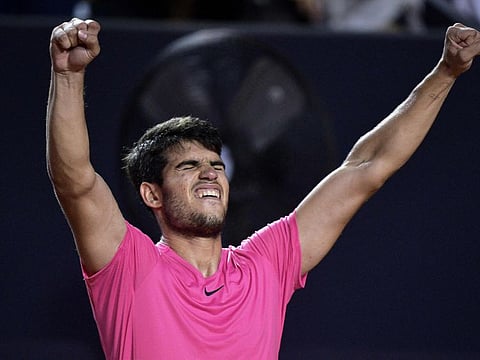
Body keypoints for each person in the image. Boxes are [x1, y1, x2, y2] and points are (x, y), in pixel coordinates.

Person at [46, 18, 480, 359]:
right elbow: (75, 182)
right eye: (190, 166)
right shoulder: (129, 268)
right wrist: (68, 76)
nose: (211, 173)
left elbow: (367, 167)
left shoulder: (266, 264)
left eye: (216, 164)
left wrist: (446, 72)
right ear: (151, 194)